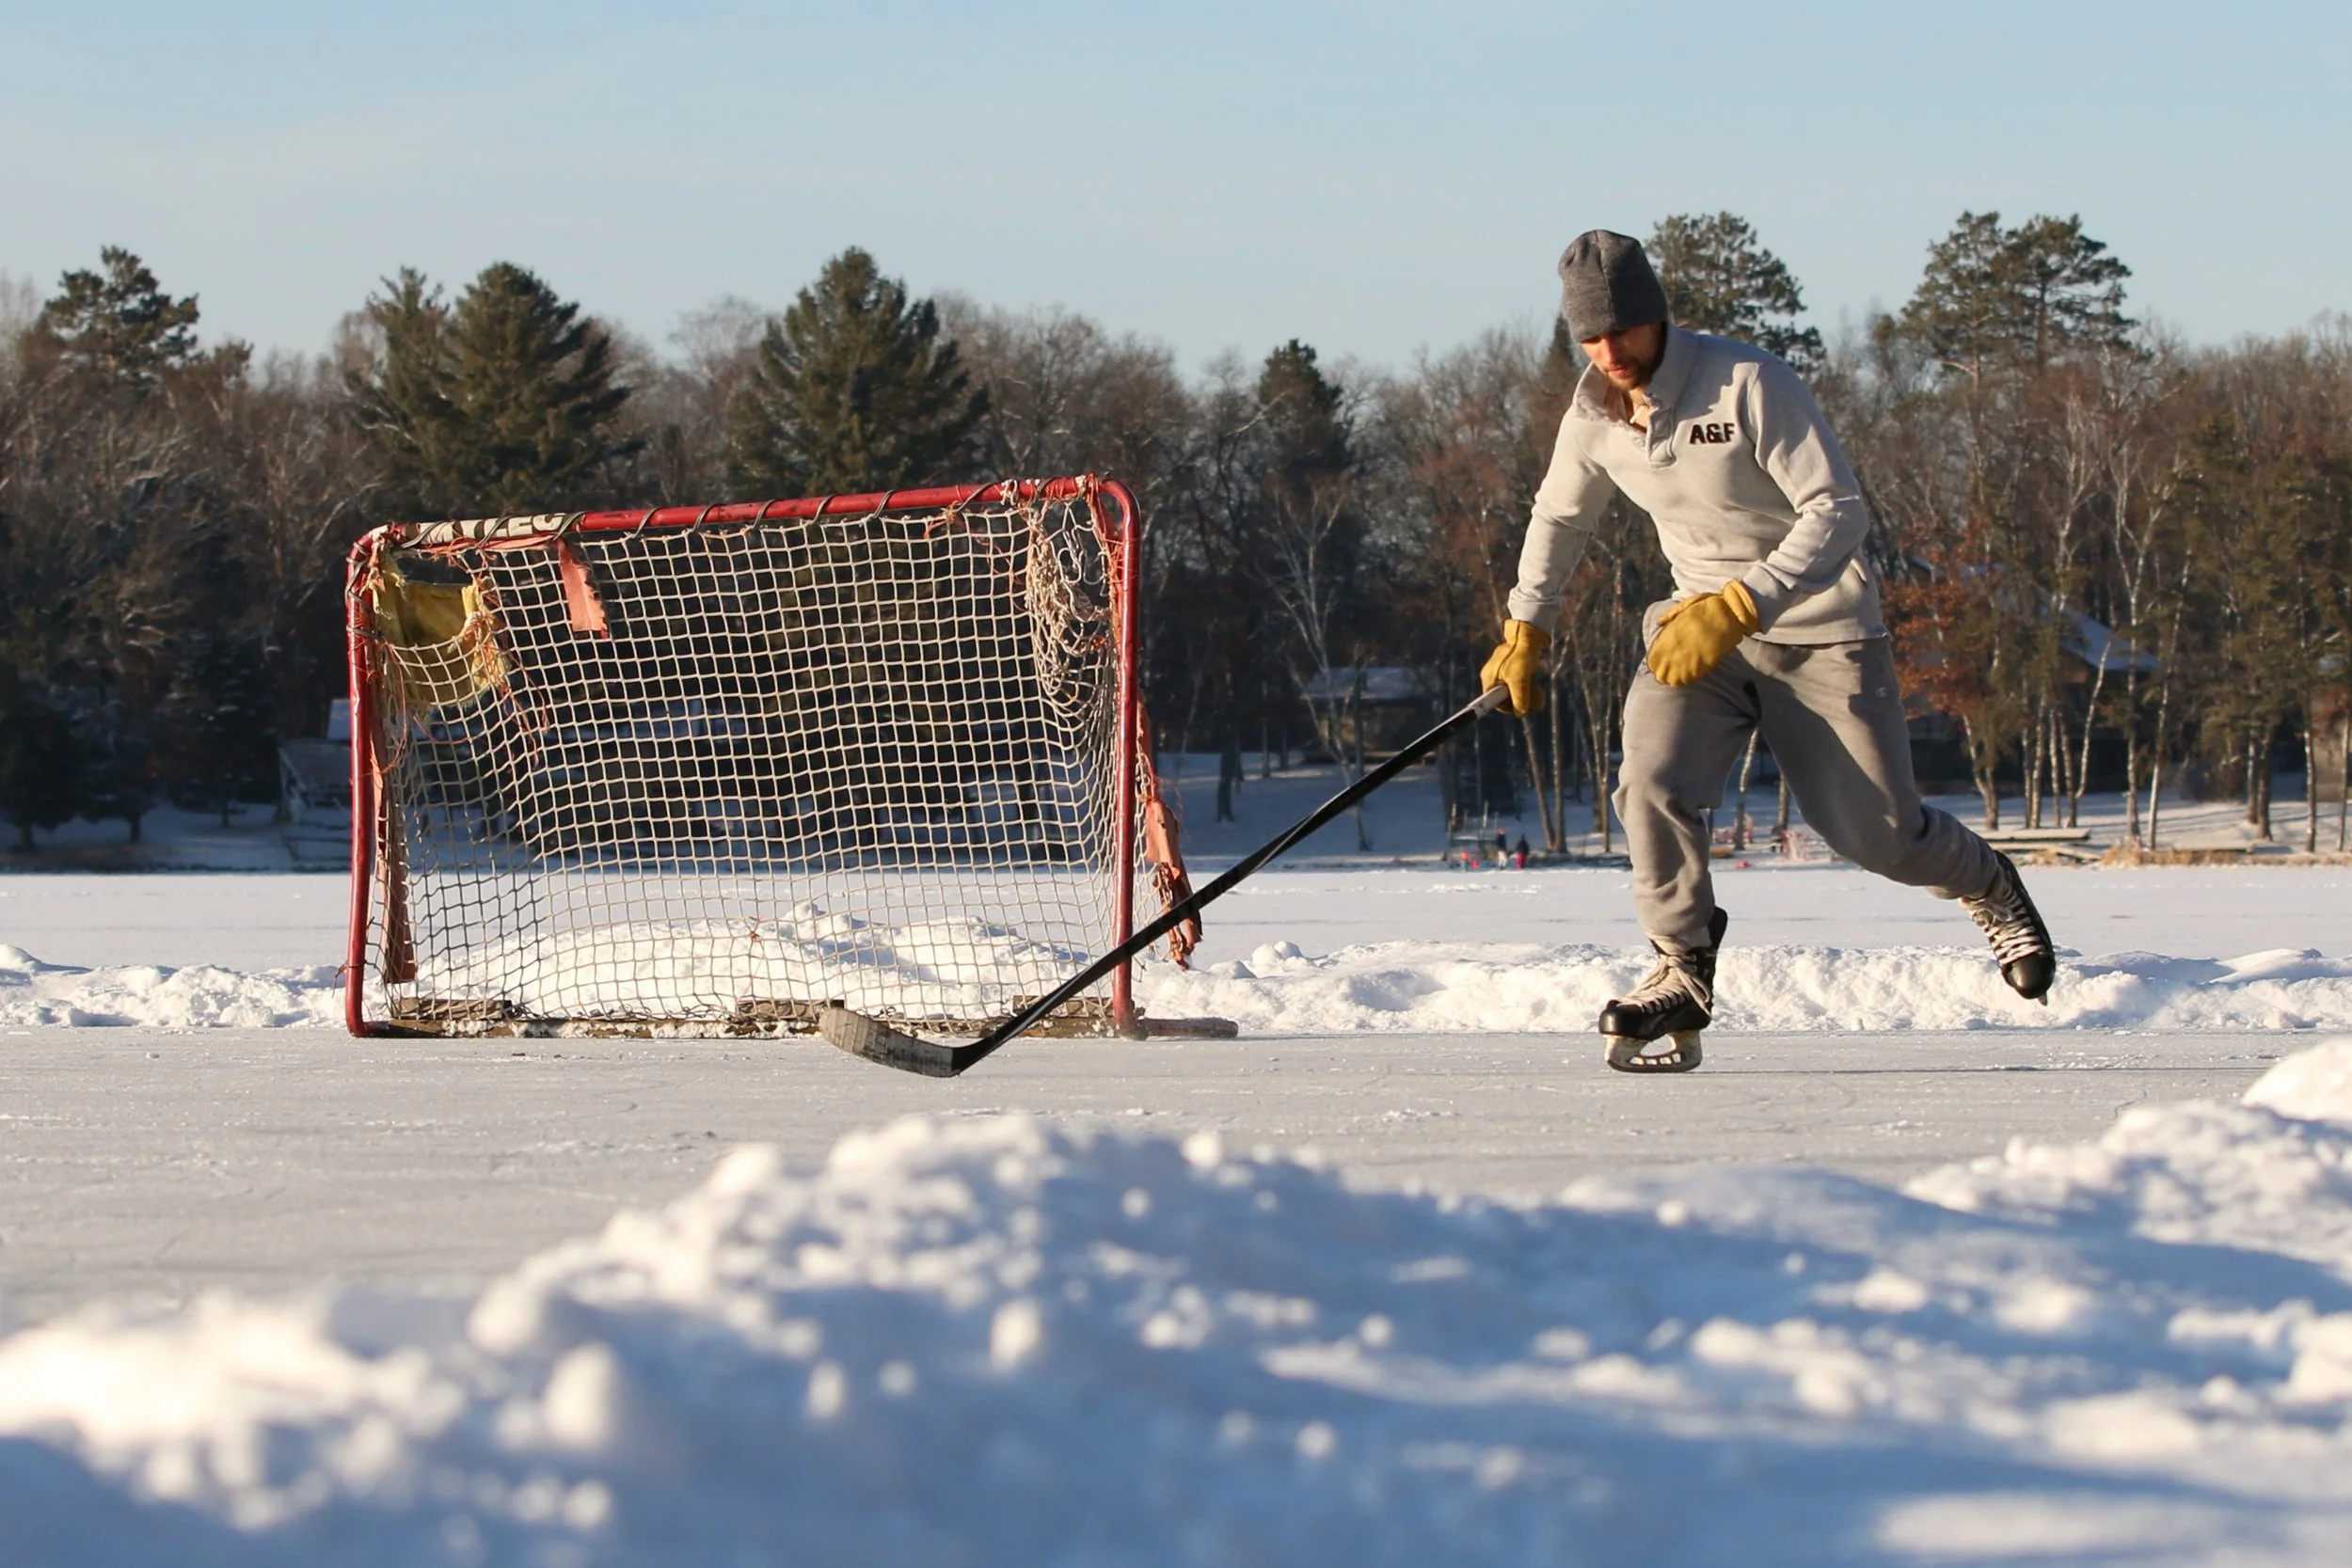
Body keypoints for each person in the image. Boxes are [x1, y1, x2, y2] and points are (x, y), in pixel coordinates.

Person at [1480, 230, 2055, 1074]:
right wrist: (1527, 625)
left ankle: (1988, 882)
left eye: (1625, 331)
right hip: (1697, 635)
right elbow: (1559, 516)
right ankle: (1681, 963)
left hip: (1821, 627)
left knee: (1881, 837)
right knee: (1651, 781)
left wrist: (1746, 601)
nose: (1612, 353)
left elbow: (1839, 510)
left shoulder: (1747, 382)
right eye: (1592, 339)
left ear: (1658, 317)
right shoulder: (1593, 411)